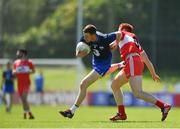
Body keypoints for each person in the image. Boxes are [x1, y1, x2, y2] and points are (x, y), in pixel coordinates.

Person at [109, 23, 171, 122]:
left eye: (119, 29)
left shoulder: (123, 33)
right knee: (114, 85)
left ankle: (163, 106)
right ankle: (121, 113)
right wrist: (153, 74)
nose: (118, 32)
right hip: (132, 62)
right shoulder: (134, 42)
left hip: (132, 61)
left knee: (138, 93)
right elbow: (146, 60)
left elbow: (119, 34)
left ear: (123, 29)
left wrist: (116, 43)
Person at [59, 24, 123, 118]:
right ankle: (119, 65)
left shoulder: (104, 38)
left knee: (83, 84)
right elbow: (80, 53)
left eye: (86, 36)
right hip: (96, 63)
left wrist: (116, 43)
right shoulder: (85, 38)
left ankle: (71, 111)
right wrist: (80, 53)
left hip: (103, 64)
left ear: (93, 35)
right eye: (84, 35)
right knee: (85, 83)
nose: (84, 38)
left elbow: (119, 34)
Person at [13, 49, 35, 119]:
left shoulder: (29, 62)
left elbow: (33, 71)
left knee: (24, 98)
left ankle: (29, 113)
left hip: (26, 83)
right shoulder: (16, 62)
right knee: (23, 100)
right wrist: (14, 72)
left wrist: (28, 71)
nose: (17, 54)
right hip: (19, 83)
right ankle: (26, 112)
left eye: (18, 52)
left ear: (23, 53)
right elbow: (14, 71)